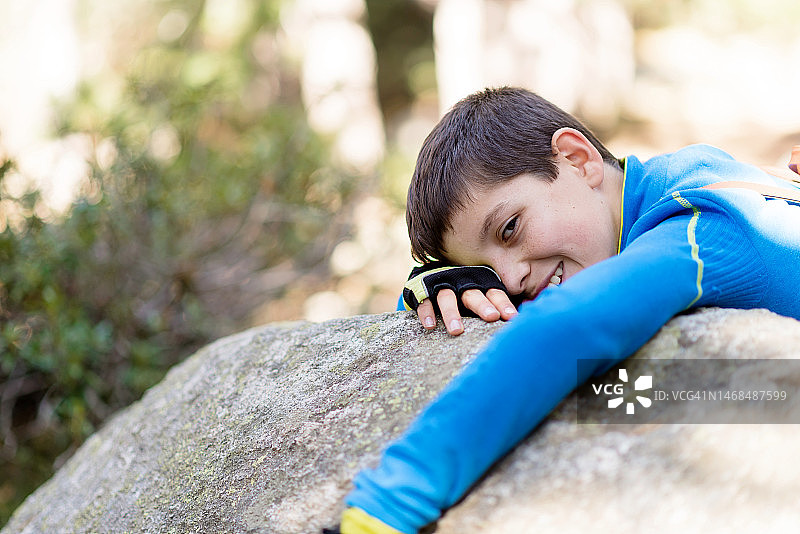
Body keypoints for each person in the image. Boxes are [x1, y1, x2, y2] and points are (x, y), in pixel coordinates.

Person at [327, 86, 800, 534]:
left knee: (617, 395)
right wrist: (435, 292)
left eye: (510, 228)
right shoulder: (654, 187)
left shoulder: (706, 220)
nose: (509, 280)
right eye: (483, 268)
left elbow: (570, 324)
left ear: (577, 160)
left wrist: (387, 504)